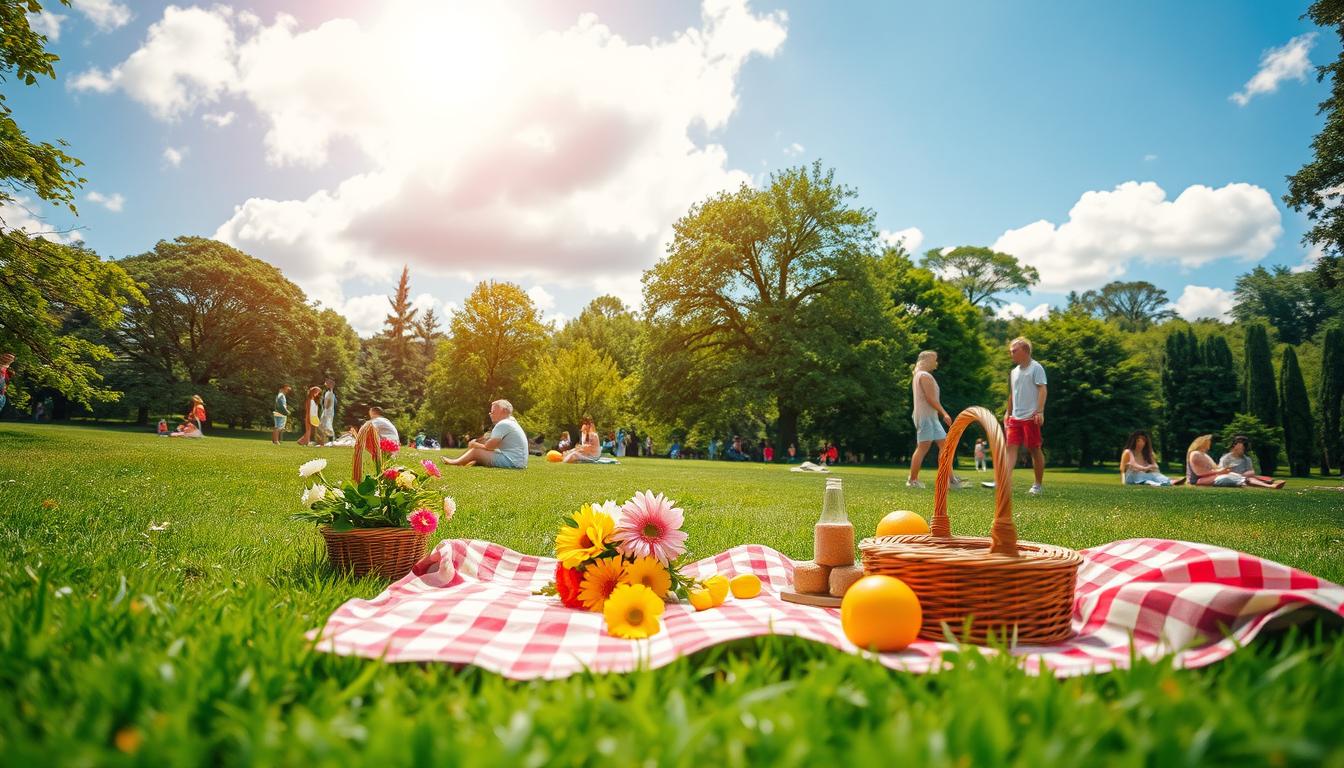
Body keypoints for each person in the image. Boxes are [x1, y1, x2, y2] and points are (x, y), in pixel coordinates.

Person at [906, 350, 965, 489]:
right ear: (926, 360)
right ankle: (912, 480)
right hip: (926, 417)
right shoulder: (924, 376)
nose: (936, 362)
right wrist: (944, 413)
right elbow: (930, 398)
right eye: (935, 359)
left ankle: (951, 479)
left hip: (930, 418)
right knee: (923, 447)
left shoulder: (919, 375)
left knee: (945, 446)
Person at [1004, 337, 1048, 496]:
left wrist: (1040, 411)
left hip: (1031, 417)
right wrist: (1007, 413)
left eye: (1014, 351)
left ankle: (1037, 485)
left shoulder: (1036, 368)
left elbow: (1042, 389)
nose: (1011, 354)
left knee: (1034, 449)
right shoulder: (1014, 372)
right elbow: (1012, 394)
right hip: (1015, 418)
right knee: (1010, 449)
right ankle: (1004, 482)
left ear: (1025, 351)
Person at [445, 399, 529, 469]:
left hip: (512, 462)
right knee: (480, 453)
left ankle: (454, 462)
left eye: (493, 411)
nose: (490, 414)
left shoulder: (503, 424)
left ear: (503, 411)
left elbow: (489, 447)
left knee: (475, 452)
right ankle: (469, 463)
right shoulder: (511, 421)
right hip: (519, 462)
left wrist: (474, 445)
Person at [1187, 435, 1279, 488]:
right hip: (1203, 479)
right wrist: (1222, 471)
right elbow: (1200, 473)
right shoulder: (1196, 454)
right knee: (1241, 479)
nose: (1210, 444)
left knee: (1246, 477)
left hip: (1218, 476)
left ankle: (1267, 483)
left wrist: (1222, 471)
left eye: (1242, 447)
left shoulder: (1246, 459)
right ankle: (1268, 485)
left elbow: (1215, 469)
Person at [319, 378, 337, 446]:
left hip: (328, 412)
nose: (326, 385)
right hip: (327, 411)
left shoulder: (330, 394)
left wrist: (324, 405)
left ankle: (331, 441)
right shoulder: (328, 393)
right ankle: (324, 441)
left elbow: (327, 405)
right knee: (323, 425)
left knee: (328, 426)